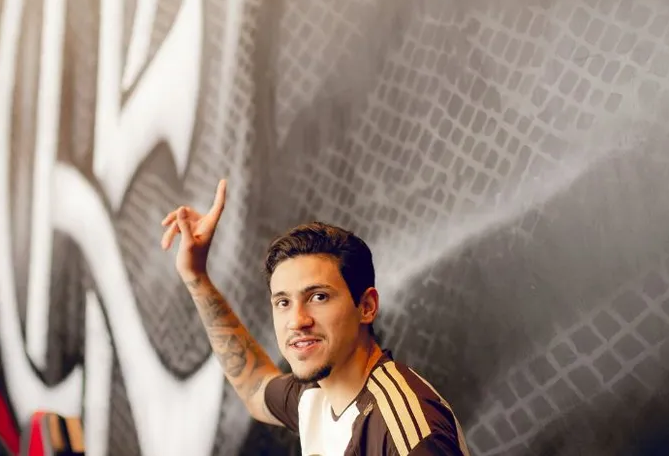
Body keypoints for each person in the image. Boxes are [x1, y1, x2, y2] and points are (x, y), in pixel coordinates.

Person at [160, 180, 469, 456]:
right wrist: (196, 275)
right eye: (283, 302)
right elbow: (255, 387)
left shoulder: (405, 433)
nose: (297, 320)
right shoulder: (316, 395)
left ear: (366, 306)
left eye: (318, 297)